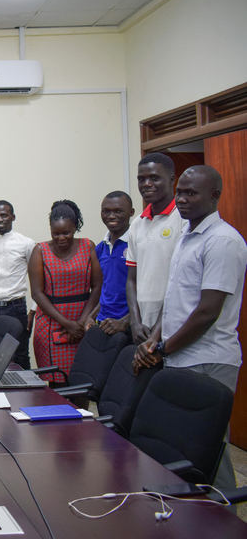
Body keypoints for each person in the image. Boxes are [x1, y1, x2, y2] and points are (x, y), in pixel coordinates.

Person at [134, 165, 247, 494]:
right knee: (184, 444)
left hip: (209, 357)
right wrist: (155, 339)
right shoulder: (187, 235)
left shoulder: (224, 241)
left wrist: (161, 349)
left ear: (214, 196)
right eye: (180, 191)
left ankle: (222, 512)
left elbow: (206, 313)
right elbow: (174, 300)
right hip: (182, 354)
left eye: (191, 193)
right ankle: (196, 511)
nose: (181, 199)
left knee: (209, 447)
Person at [29, 200, 102, 383]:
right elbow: (37, 294)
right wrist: (67, 324)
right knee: (57, 382)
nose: (61, 238)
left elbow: (98, 287)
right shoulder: (40, 251)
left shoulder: (88, 246)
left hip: (83, 322)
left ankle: (82, 413)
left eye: (66, 233)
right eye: (56, 233)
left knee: (84, 379)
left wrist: (81, 322)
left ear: (75, 228)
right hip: (51, 323)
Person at [126, 153, 185, 344]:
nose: (146, 184)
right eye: (141, 179)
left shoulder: (184, 219)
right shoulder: (137, 224)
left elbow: (180, 282)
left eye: (154, 178)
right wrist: (134, 322)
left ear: (171, 180)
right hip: (142, 328)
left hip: (175, 327)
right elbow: (131, 279)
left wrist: (157, 333)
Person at [0, 200, 36, 368]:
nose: (0, 219)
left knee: (20, 355)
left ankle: (25, 394)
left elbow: (37, 280)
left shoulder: (26, 243)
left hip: (16, 308)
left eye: (4, 215)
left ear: (13, 217)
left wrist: (33, 309)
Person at [82, 191, 135, 346]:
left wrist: (125, 322)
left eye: (118, 211)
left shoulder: (137, 243)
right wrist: (91, 316)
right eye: (106, 211)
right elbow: (106, 289)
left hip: (130, 327)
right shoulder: (100, 248)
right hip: (104, 324)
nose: (111, 216)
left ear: (131, 212)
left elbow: (149, 292)